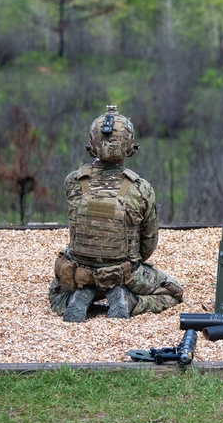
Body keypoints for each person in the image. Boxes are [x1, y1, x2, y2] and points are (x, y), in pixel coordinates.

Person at [49, 106, 183, 322]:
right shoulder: (141, 189)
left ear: (92, 146)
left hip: (79, 272)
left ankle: (79, 296)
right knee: (174, 291)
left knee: (55, 295)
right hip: (124, 273)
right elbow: (148, 244)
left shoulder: (74, 181)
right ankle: (129, 300)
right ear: (130, 147)